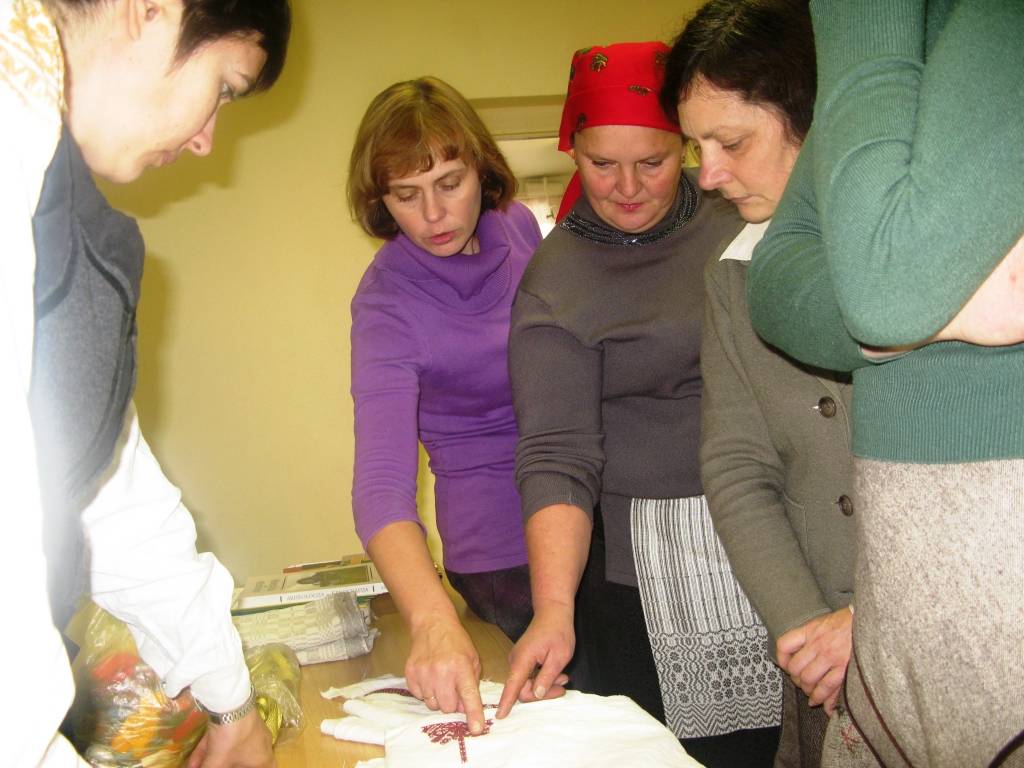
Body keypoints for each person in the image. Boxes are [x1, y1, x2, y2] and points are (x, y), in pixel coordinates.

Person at [1, 0, 290, 765]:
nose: (205, 139)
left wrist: (229, 699)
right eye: (224, 87)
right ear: (150, 8)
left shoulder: (50, 189)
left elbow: (110, 492)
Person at [745, 1, 1024, 765]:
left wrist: (903, 306)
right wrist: (958, 314)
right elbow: (773, 277)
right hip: (901, 566)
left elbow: (885, 291)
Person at [498, 41, 782, 768]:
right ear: (572, 152)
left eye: (652, 162)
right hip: (655, 570)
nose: (626, 188)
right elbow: (557, 454)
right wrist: (554, 609)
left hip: (781, 527)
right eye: (601, 164)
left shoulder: (739, 211)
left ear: (684, 146)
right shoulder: (557, 283)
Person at [660, 2, 856, 766]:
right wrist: (804, 627)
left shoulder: (924, 256)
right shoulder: (733, 278)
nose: (708, 177)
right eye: (697, 147)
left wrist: (872, 622)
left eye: (732, 143)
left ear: (815, 116)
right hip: (819, 665)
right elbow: (738, 469)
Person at [346, 76, 546, 738]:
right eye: (407, 195)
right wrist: (432, 619)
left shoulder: (518, 228)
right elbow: (380, 486)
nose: (434, 214)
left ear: (481, 170)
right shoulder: (386, 306)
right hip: (501, 556)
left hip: (582, 507)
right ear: (381, 201)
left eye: (450, 183)